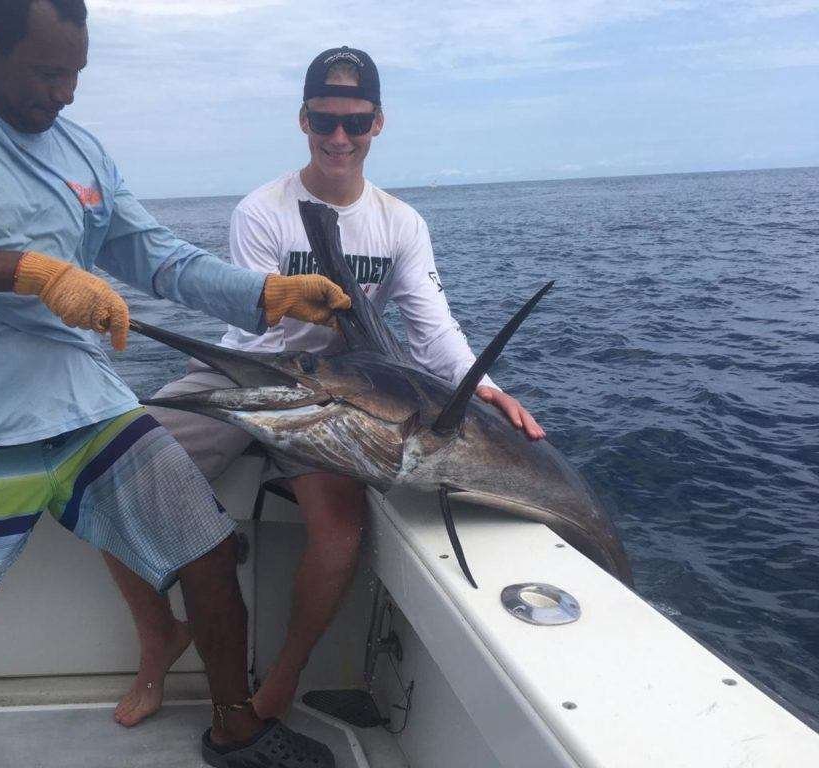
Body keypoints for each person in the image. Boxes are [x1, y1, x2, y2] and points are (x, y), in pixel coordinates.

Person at [0, 2, 351, 767]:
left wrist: (267, 295)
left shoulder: (80, 150)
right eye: (48, 73)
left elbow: (159, 256)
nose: (66, 94)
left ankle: (234, 728)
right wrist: (31, 271)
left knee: (207, 545)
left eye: (76, 73)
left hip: (85, 405)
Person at [104, 46, 547, 728]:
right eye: (324, 120)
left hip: (347, 398)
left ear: (377, 123)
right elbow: (252, 333)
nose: (339, 137)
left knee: (339, 530)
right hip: (257, 373)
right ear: (303, 119)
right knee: (109, 471)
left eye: (355, 121)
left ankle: (280, 683)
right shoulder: (263, 210)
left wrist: (479, 386)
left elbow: (434, 329)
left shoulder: (401, 224)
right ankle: (159, 636)